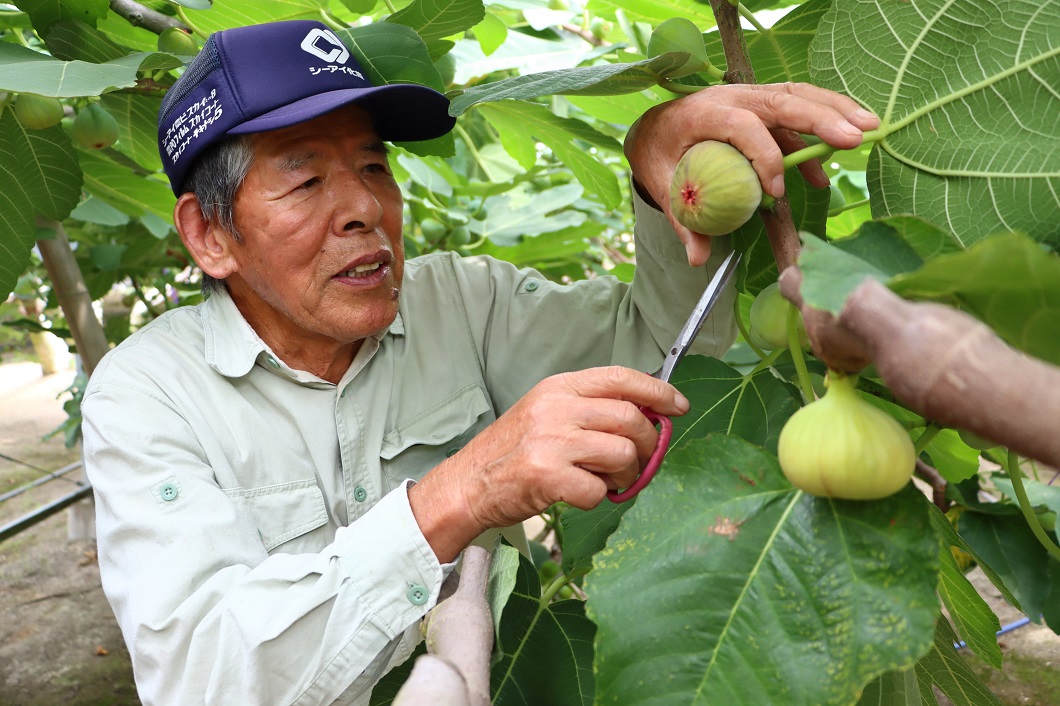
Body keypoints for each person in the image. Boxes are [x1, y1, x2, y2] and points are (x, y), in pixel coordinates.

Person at [81, 19, 878, 706]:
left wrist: (656, 164)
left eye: (371, 167)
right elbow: (198, 677)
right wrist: (463, 492)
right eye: (307, 178)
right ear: (209, 235)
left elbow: (666, 358)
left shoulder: (461, 303)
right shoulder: (148, 395)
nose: (363, 208)